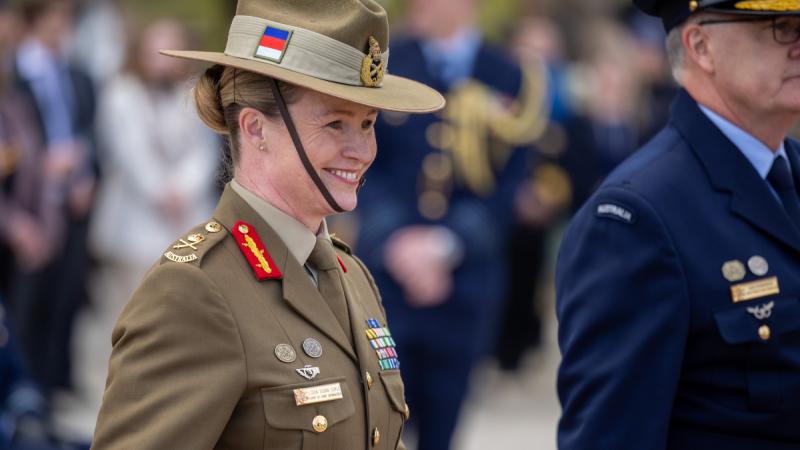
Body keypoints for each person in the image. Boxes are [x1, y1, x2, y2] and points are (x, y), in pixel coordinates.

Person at [91, 0, 444, 449]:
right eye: (336, 124)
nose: (362, 151)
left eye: (368, 123)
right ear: (256, 129)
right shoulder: (194, 291)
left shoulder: (352, 276)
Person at [556, 0, 800, 448]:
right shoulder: (635, 218)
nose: (798, 45)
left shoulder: (789, 176)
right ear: (701, 46)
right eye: (781, 27)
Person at [355, 0, 547, 448]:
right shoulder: (382, 66)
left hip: (467, 277)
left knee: (444, 422)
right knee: (377, 421)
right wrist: (398, 243)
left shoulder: (510, 75)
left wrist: (444, 246)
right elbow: (364, 163)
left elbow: (512, 179)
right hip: (387, 272)